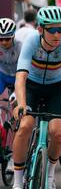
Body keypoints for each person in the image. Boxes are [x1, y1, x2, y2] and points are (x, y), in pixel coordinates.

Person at [8, 6, 61, 189]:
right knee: (24, 127)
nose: (58, 34)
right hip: (31, 86)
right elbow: (21, 76)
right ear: (40, 29)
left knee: (58, 132)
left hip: (55, 88)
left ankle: (49, 175)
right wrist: (21, 104)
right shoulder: (31, 40)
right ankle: (17, 184)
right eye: (52, 30)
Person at [0, 18, 23, 173]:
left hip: (17, 77)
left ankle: (13, 158)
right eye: (0, 39)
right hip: (1, 76)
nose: (3, 42)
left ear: (13, 36)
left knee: (15, 118)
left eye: (7, 38)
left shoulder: (21, 47)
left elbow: (24, 72)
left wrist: (16, 93)